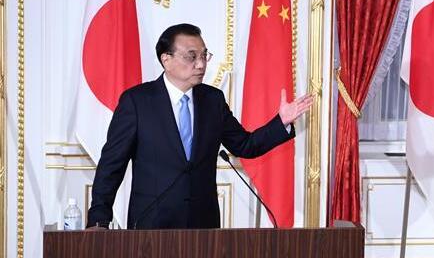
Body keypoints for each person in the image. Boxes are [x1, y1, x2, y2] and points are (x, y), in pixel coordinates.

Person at [86, 23, 313, 229]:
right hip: (151, 226)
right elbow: (111, 165)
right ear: (166, 60)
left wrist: (281, 122)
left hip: (203, 227)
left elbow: (245, 145)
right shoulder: (137, 102)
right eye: (191, 56)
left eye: (204, 56)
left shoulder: (213, 100)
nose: (201, 64)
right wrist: (99, 220)